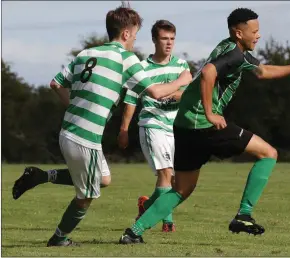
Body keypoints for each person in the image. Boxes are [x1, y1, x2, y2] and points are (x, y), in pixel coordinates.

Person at [118, 7, 290, 244]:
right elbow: (207, 73)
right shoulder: (234, 54)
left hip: (184, 124)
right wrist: (210, 113)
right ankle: (243, 214)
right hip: (202, 123)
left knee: (182, 189)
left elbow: (263, 71)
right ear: (238, 33)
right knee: (268, 153)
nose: (258, 35)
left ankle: (133, 233)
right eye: (254, 31)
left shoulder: (237, 52)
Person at [11, 5, 191, 247]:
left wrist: (74, 106)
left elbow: (55, 83)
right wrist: (184, 79)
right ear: (126, 33)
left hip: (70, 131)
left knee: (103, 179)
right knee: (85, 197)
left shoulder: (85, 54)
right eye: (135, 34)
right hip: (85, 137)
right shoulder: (126, 59)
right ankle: (59, 239)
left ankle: (43, 176)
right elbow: (156, 92)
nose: (135, 39)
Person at [118, 20, 191, 233]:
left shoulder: (182, 66)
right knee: (166, 174)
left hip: (176, 127)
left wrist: (166, 92)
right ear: (154, 40)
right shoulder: (141, 68)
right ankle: (167, 221)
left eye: (172, 39)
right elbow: (131, 100)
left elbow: (187, 94)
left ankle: (147, 206)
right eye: (164, 39)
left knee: (175, 179)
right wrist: (123, 130)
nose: (169, 43)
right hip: (152, 123)